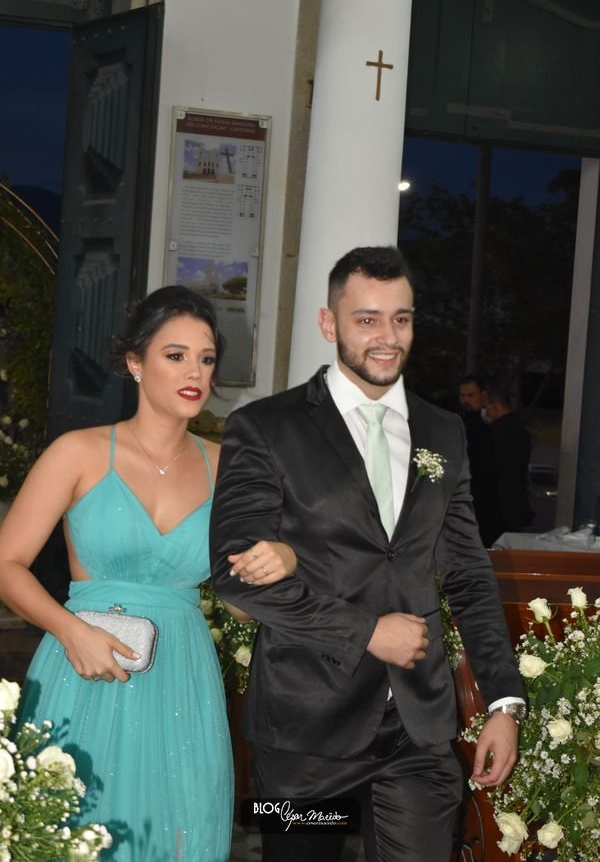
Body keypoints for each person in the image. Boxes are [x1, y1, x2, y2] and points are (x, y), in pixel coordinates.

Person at [210, 246, 525, 862]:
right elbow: (234, 574)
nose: (388, 337)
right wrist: (367, 632)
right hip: (302, 740)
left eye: (400, 319)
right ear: (329, 324)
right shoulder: (265, 426)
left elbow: (467, 573)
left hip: (417, 732)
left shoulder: (444, 432)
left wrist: (503, 701)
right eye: (367, 319)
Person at [0, 286, 296, 861]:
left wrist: (281, 562)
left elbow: (238, 604)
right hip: (82, 666)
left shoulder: (230, 468)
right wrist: (70, 631)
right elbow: (7, 565)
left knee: (178, 830)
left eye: (206, 359)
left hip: (182, 677)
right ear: (135, 362)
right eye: (175, 355)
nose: (195, 372)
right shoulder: (78, 452)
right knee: (74, 832)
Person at [457, 374, 501, 546]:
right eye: (462, 396)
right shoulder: (463, 423)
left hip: (487, 502)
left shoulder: (489, 425)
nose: (466, 400)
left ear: (483, 395)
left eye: (470, 395)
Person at [484, 383, 533, 537]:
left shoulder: (494, 433)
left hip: (496, 507)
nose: (486, 413)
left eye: (487, 408)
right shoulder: (521, 431)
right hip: (516, 505)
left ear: (496, 406)